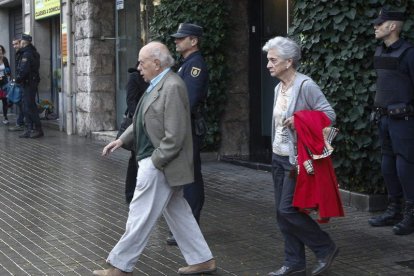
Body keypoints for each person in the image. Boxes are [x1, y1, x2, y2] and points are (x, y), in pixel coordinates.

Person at [93, 41, 216, 276]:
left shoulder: (173, 86)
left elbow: (176, 134)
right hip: (157, 162)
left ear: (157, 64)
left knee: (140, 214)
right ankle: (203, 260)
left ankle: (120, 265)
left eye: (142, 62)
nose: (138, 67)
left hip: (160, 164)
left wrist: (156, 161)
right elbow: (142, 117)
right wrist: (121, 139)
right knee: (179, 212)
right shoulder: (156, 83)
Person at [263, 37, 339, 276]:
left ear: (289, 61)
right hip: (278, 156)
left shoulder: (305, 85)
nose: (268, 64)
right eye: (268, 60)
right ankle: (294, 263)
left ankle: (325, 247)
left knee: (288, 210)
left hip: (296, 161)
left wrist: (300, 119)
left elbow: (329, 115)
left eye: (273, 60)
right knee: (282, 214)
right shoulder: (278, 88)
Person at [368, 8, 414, 235]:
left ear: (393, 26)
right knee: (387, 165)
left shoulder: (409, 53)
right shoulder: (380, 51)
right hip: (384, 117)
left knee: (404, 166)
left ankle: (411, 214)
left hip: (404, 120)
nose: (375, 26)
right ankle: (393, 209)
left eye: (380, 23)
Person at [167, 23, 209, 245]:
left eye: (181, 38)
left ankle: (191, 228)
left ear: (194, 41)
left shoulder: (195, 66)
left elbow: (188, 102)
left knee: (191, 178)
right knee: (187, 177)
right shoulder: (186, 64)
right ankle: (186, 228)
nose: (176, 41)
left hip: (189, 127)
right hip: (184, 126)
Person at [117, 65, 148, 204]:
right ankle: (131, 194)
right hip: (138, 123)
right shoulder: (135, 77)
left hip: (150, 125)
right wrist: (140, 119)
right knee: (135, 158)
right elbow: (131, 101)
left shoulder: (155, 79)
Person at [15, 34, 43, 138]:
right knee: (28, 106)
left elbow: (24, 70)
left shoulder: (27, 54)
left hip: (28, 83)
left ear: (23, 43)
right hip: (30, 82)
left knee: (29, 107)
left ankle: (37, 129)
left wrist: (18, 80)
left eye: (20, 42)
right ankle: (29, 129)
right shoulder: (32, 52)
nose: (19, 44)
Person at [8, 38, 25, 132]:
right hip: (18, 82)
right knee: (20, 103)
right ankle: (21, 122)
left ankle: (21, 123)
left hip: (22, 83)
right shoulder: (18, 54)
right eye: (13, 44)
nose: (14, 46)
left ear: (20, 43)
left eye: (16, 44)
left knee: (21, 103)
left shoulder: (23, 54)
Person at [0, 45, 11, 125]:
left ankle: (5, 117)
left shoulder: (5, 59)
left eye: (0, 50)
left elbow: (9, 71)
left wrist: (7, 74)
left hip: (4, 83)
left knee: (4, 100)